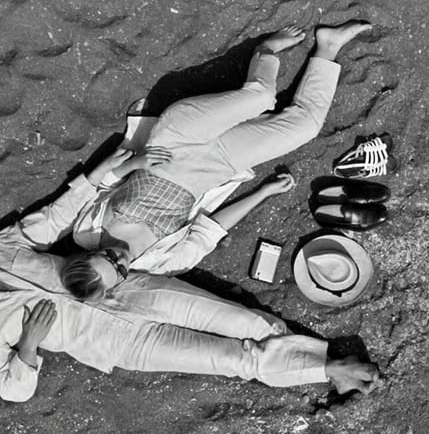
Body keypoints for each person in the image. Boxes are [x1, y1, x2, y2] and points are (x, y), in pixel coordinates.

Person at [0, 148, 382, 403]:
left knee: (248, 321)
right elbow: (13, 389)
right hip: (119, 344)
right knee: (233, 358)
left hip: (133, 289)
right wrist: (27, 345)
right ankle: (329, 370)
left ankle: (324, 364)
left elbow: (55, 216)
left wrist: (96, 176)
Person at [53, 20, 373, 300]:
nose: (119, 259)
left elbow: (101, 182)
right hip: (217, 164)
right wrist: (263, 193)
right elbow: (212, 228)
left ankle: (266, 50)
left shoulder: (86, 230)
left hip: (173, 141)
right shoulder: (162, 263)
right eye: (120, 270)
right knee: (305, 127)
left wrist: (133, 165)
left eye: (107, 257)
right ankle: (328, 46)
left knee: (262, 96)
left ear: (87, 254)